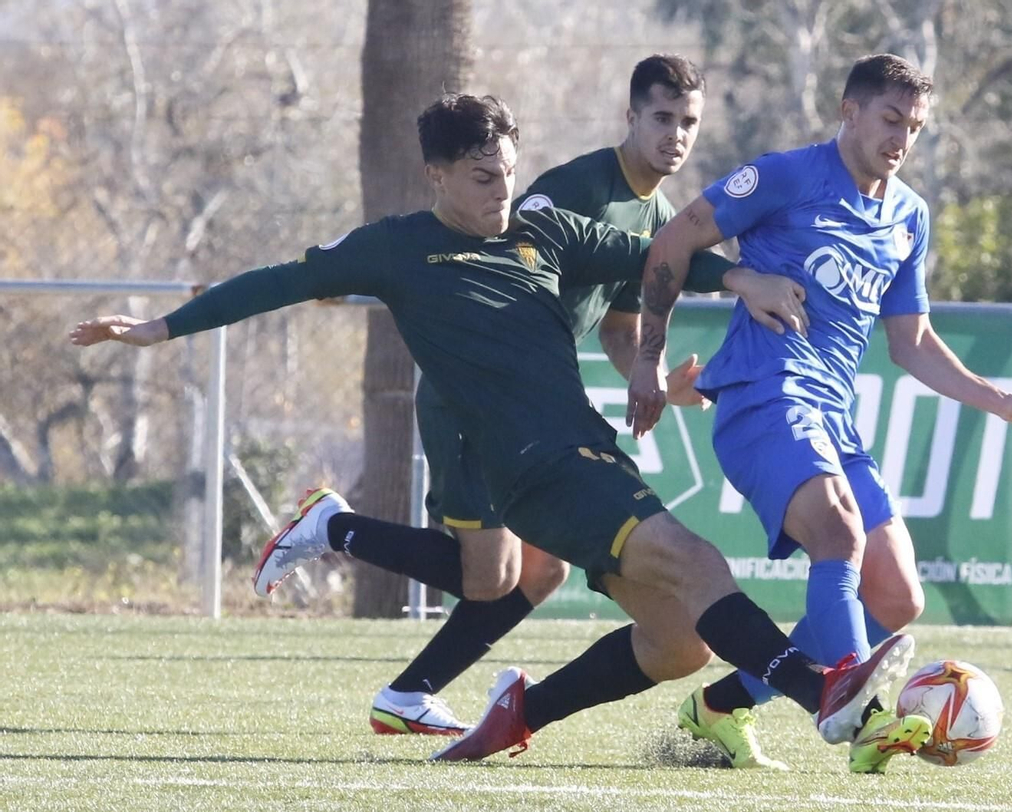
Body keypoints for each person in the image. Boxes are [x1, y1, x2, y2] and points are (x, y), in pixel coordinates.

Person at [70, 93, 916, 770]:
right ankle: (820, 693)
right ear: (436, 174)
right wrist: (158, 329)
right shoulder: (396, 248)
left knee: (678, 645)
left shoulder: (539, 227)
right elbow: (278, 282)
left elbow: (654, 254)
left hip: (584, 451)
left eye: (508, 173)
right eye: (482, 178)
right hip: (531, 468)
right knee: (700, 564)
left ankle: (518, 713)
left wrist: (743, 277)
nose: (501, 192)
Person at [301, 54, 786, 742]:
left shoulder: (661, 217)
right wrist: (347, 272)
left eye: (689, 122)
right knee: (492, 572)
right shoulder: (575, 188)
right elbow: (477, 244)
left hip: (530, 408)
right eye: (661, 118)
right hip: (472, 398)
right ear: (631, 117)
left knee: (536, 569)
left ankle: (408, 689)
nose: (675, 134)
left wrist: (652, 377)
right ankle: (333, 532)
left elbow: (619, 328)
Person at [625, 54, 1012, 773]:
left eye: (916, 127)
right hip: (763, 398)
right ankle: (861, 716)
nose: (902, 139)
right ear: (850, 111)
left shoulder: (908, 217)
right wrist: (649, 359)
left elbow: (913, 342)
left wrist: (1003, 402)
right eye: (891, 119)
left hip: (834, 417)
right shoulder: (785, 177)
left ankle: (720, 707)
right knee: (838, 531)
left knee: (897, 595)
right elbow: (672, 241)